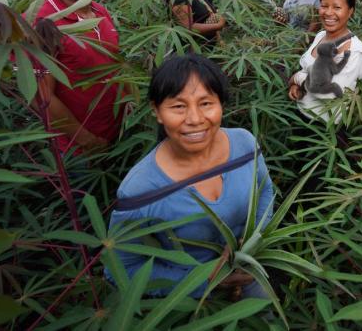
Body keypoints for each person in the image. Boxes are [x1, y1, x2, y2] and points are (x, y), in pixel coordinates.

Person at [107, 54, 274, 298]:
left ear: (221, 105)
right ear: (157, 111)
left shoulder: (244, 143)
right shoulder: (140, 189)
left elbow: (265, 191)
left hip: (252, 273)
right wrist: (205, 280)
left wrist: (253, 241)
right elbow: (121, 269)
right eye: (178, 106)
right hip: (186, 298)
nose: (195, 119)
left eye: (206, 103)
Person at [30, 0, 123, 154]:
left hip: (115, 133)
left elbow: (113, 64)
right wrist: (87, 141)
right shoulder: (42, 23)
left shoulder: (100, 11)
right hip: (76, 150)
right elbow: (40, 97)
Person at [288, 0, 362, 124]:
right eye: (324, 6)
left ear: (350, 10)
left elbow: (328, 93)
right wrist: (297, 86)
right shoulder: (321, 36)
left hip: (324, 126)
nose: (328, 13)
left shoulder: (354, 50)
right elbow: (307, 67)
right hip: (300, 114)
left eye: (337, 7)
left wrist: (297, 78)